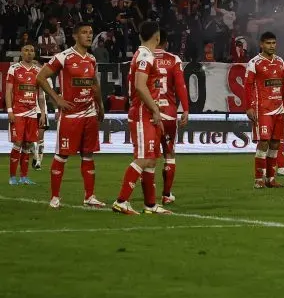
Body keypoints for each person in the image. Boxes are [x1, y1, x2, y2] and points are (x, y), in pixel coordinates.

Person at [36, 23, 106, 210]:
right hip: (70, 115)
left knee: (88, 155)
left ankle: (90, 196)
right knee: (62, 155)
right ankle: (55, 198)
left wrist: (100, 105)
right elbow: (41, 77)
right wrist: (57, 98)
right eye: (84, 32)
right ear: (75, 36)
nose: (89, 36)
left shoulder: (91, 59)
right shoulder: (64, 57)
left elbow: (94, 85)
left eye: (91, 32)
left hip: (90, 112)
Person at [112, 21, 173, 215]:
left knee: (152, 159)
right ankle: (121, 201)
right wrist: (155, 109)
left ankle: (150, 205)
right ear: (157, 37)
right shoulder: (145, 55)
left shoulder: (145, 54)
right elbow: (140, 85)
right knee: (143, 158)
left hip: (148, 112)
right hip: (142, 112)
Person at [244, 32, 284, 188]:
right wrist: (249, 107)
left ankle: (271, 179)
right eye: (268, 43)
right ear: (261, 44)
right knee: (263, 143)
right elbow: (248, 86)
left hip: (278, 109)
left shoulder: (280, 62)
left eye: (273, 43)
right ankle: (259, 179)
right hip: (262, 109)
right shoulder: (254, 63)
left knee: (275, 144)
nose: (271, 46)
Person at [154, 38, 189, 203]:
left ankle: (149, 195)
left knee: (147, 156)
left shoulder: (143, 57)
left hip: (150, 113)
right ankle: (166, 195)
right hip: (168, 113)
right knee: (169, 153)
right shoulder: (173, 59)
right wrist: (186, 110)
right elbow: (181, 85)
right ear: (166, 42)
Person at [6, 43, 43, 185]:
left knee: (28, 144)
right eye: (26, 50)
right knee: (18, 143)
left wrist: (43, 113)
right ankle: (12, 177)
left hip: (32, 113)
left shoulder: (38, 70)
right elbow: (8, 91)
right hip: (18, 112)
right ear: (21, 52)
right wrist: (10, 110)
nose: (29, 53)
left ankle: (24, 176)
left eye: (32, 51)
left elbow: (40, 95)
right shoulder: (14, 68)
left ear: (34, 54)